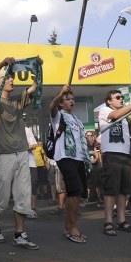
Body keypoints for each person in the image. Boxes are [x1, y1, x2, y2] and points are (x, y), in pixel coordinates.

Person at [0, 56, 41, 250]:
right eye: (7, 78)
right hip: (3, 155)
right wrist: (0, 65)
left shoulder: (18, 102)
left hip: (22, 153)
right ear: (0, 84)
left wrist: (37, 68)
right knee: (2, 195)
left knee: (23, 195)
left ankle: (19, 234)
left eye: (12, 78)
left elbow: (34, 86)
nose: (11, 80)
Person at [98, 85, 131, 236]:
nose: (121, 100)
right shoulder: (105, 111)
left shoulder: (126, 118)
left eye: (122, 97)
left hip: (127, 155)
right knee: (110, 189)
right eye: (118, 98)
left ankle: (121, 221)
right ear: (109, 101)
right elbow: (115, 115)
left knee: (123, 190)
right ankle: (108, 221)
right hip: (112, 154)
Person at [50, 85, 90, 243]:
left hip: (79, 158)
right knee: (74, 191)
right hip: (65, 157)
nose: (71, 101)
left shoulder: (77, 120)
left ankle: (68, 226)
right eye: (67, 99)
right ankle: (73, 227)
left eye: (73, 99)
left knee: (78, 193)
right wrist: (60, 93)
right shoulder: (58, 116)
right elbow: (52, 106)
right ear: (61, 103)